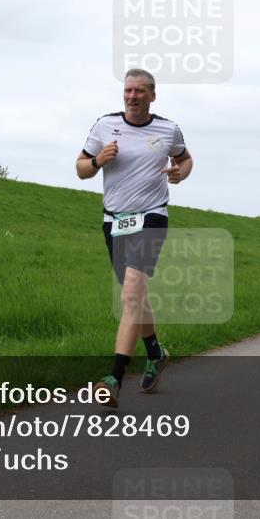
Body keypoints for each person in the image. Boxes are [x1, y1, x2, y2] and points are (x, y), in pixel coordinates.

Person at [76, 69, 193, 408]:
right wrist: (98, 160)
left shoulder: (168, 129)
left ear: (152, 95)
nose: (132, 96)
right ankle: (155, 353)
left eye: (140, 91)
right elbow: (80, 168)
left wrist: (179, 174)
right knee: (136, 297)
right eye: (128, 90)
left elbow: (184, 158)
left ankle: (113, 377)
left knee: (130, 294)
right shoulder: (104, 125)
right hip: (114, 221)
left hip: (152, 217)